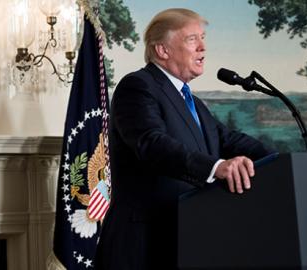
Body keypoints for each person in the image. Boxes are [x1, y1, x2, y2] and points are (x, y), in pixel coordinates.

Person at [95, 8, 274, 270]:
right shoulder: (137, 87)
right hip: (143, 244)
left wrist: (286, 162)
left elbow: (231, 140)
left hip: (185, 240)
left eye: (203, 38)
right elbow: (152, 144)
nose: (203, 47)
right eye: (192, 39)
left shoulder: (195, 104)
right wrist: (216, 168)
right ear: (162, 50)